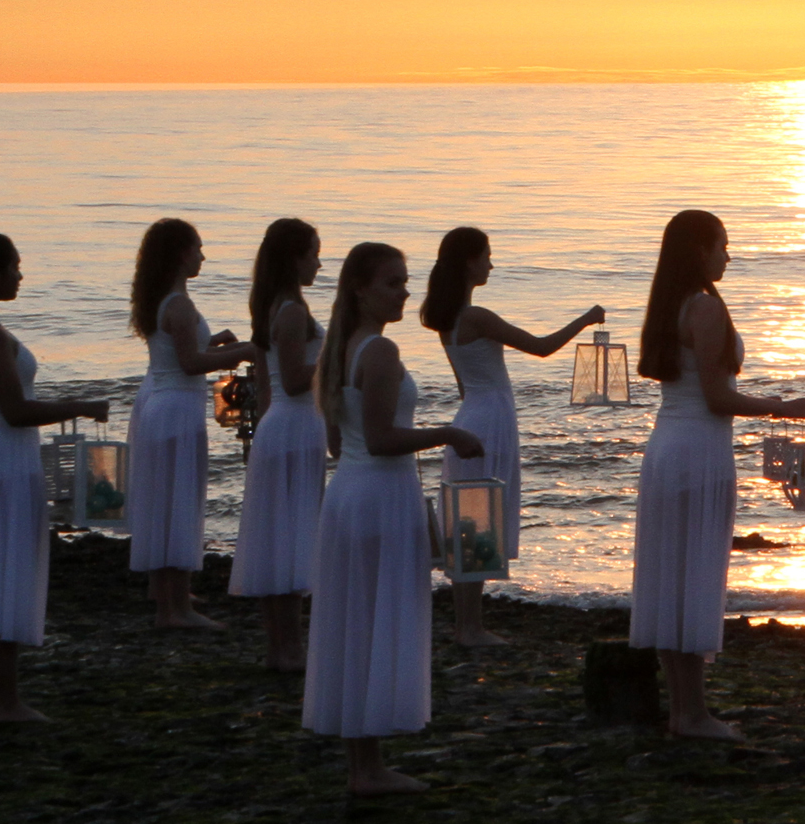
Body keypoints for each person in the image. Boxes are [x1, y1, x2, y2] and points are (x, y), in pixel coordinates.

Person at [302, 242, 483, 794]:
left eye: (405, 282)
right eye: (393, 282)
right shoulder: (378, 351)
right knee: (376, 618)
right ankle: (368, 767)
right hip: (379, 496)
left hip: (350, 495)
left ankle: (364, 761)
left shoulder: (341, 348)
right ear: (360, 289)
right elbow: (381, 440)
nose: (405, 291)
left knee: (356, 621)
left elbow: (340, 443)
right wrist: (449, 433)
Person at [631, 209, 805, 741]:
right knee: (694, 572)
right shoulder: (706, 308)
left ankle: (682, 709)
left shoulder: (669, 304)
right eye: (722, 246)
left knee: (673, 575)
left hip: (669, 446)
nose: (728, 255)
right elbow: (717, 397)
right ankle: (691, 714)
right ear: (700, 251)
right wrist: (780, 406)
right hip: (697, 451)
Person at [0, 232, 108, 722]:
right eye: (14, 266)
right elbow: (15, 411)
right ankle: (3, 701)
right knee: (3, 572)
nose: (20, 275)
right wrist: (83, 405)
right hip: (2, 460)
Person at [418, 225, 603, 647]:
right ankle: (470, 627)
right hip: (488, 421)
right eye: (486, 255)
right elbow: (541, 347)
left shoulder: (448, 320)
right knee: (480, 518)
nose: (491, 263)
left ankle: (468, 623)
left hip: (475, 414)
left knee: (473, 519)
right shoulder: (475, 316)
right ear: (469, 261)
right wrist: (586, 318)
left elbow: (465, 386)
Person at [127, 218, 251, 630]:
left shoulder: (165, 300)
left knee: (167, 500)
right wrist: (245, 350)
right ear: (181, 253)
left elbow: (179, 352)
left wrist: (213, 343)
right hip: (175, 408)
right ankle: (175, 609)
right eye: (198, 247)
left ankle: (169, 596)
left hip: (166, 403)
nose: (202, 255)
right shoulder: (178, 303)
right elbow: (190, 364)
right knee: (177, 501)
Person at [229, 218, 326, 672]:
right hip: (292, 427)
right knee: (289, 535)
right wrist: (337, 357)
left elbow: (270, 384)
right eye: (313, 254)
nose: (319, 263)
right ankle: (289, 649)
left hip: (282, 427)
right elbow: (291, 379)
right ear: (294, 259)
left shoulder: (276, 305)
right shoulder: (289, 310)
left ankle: (282, 648)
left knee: (278, 535)